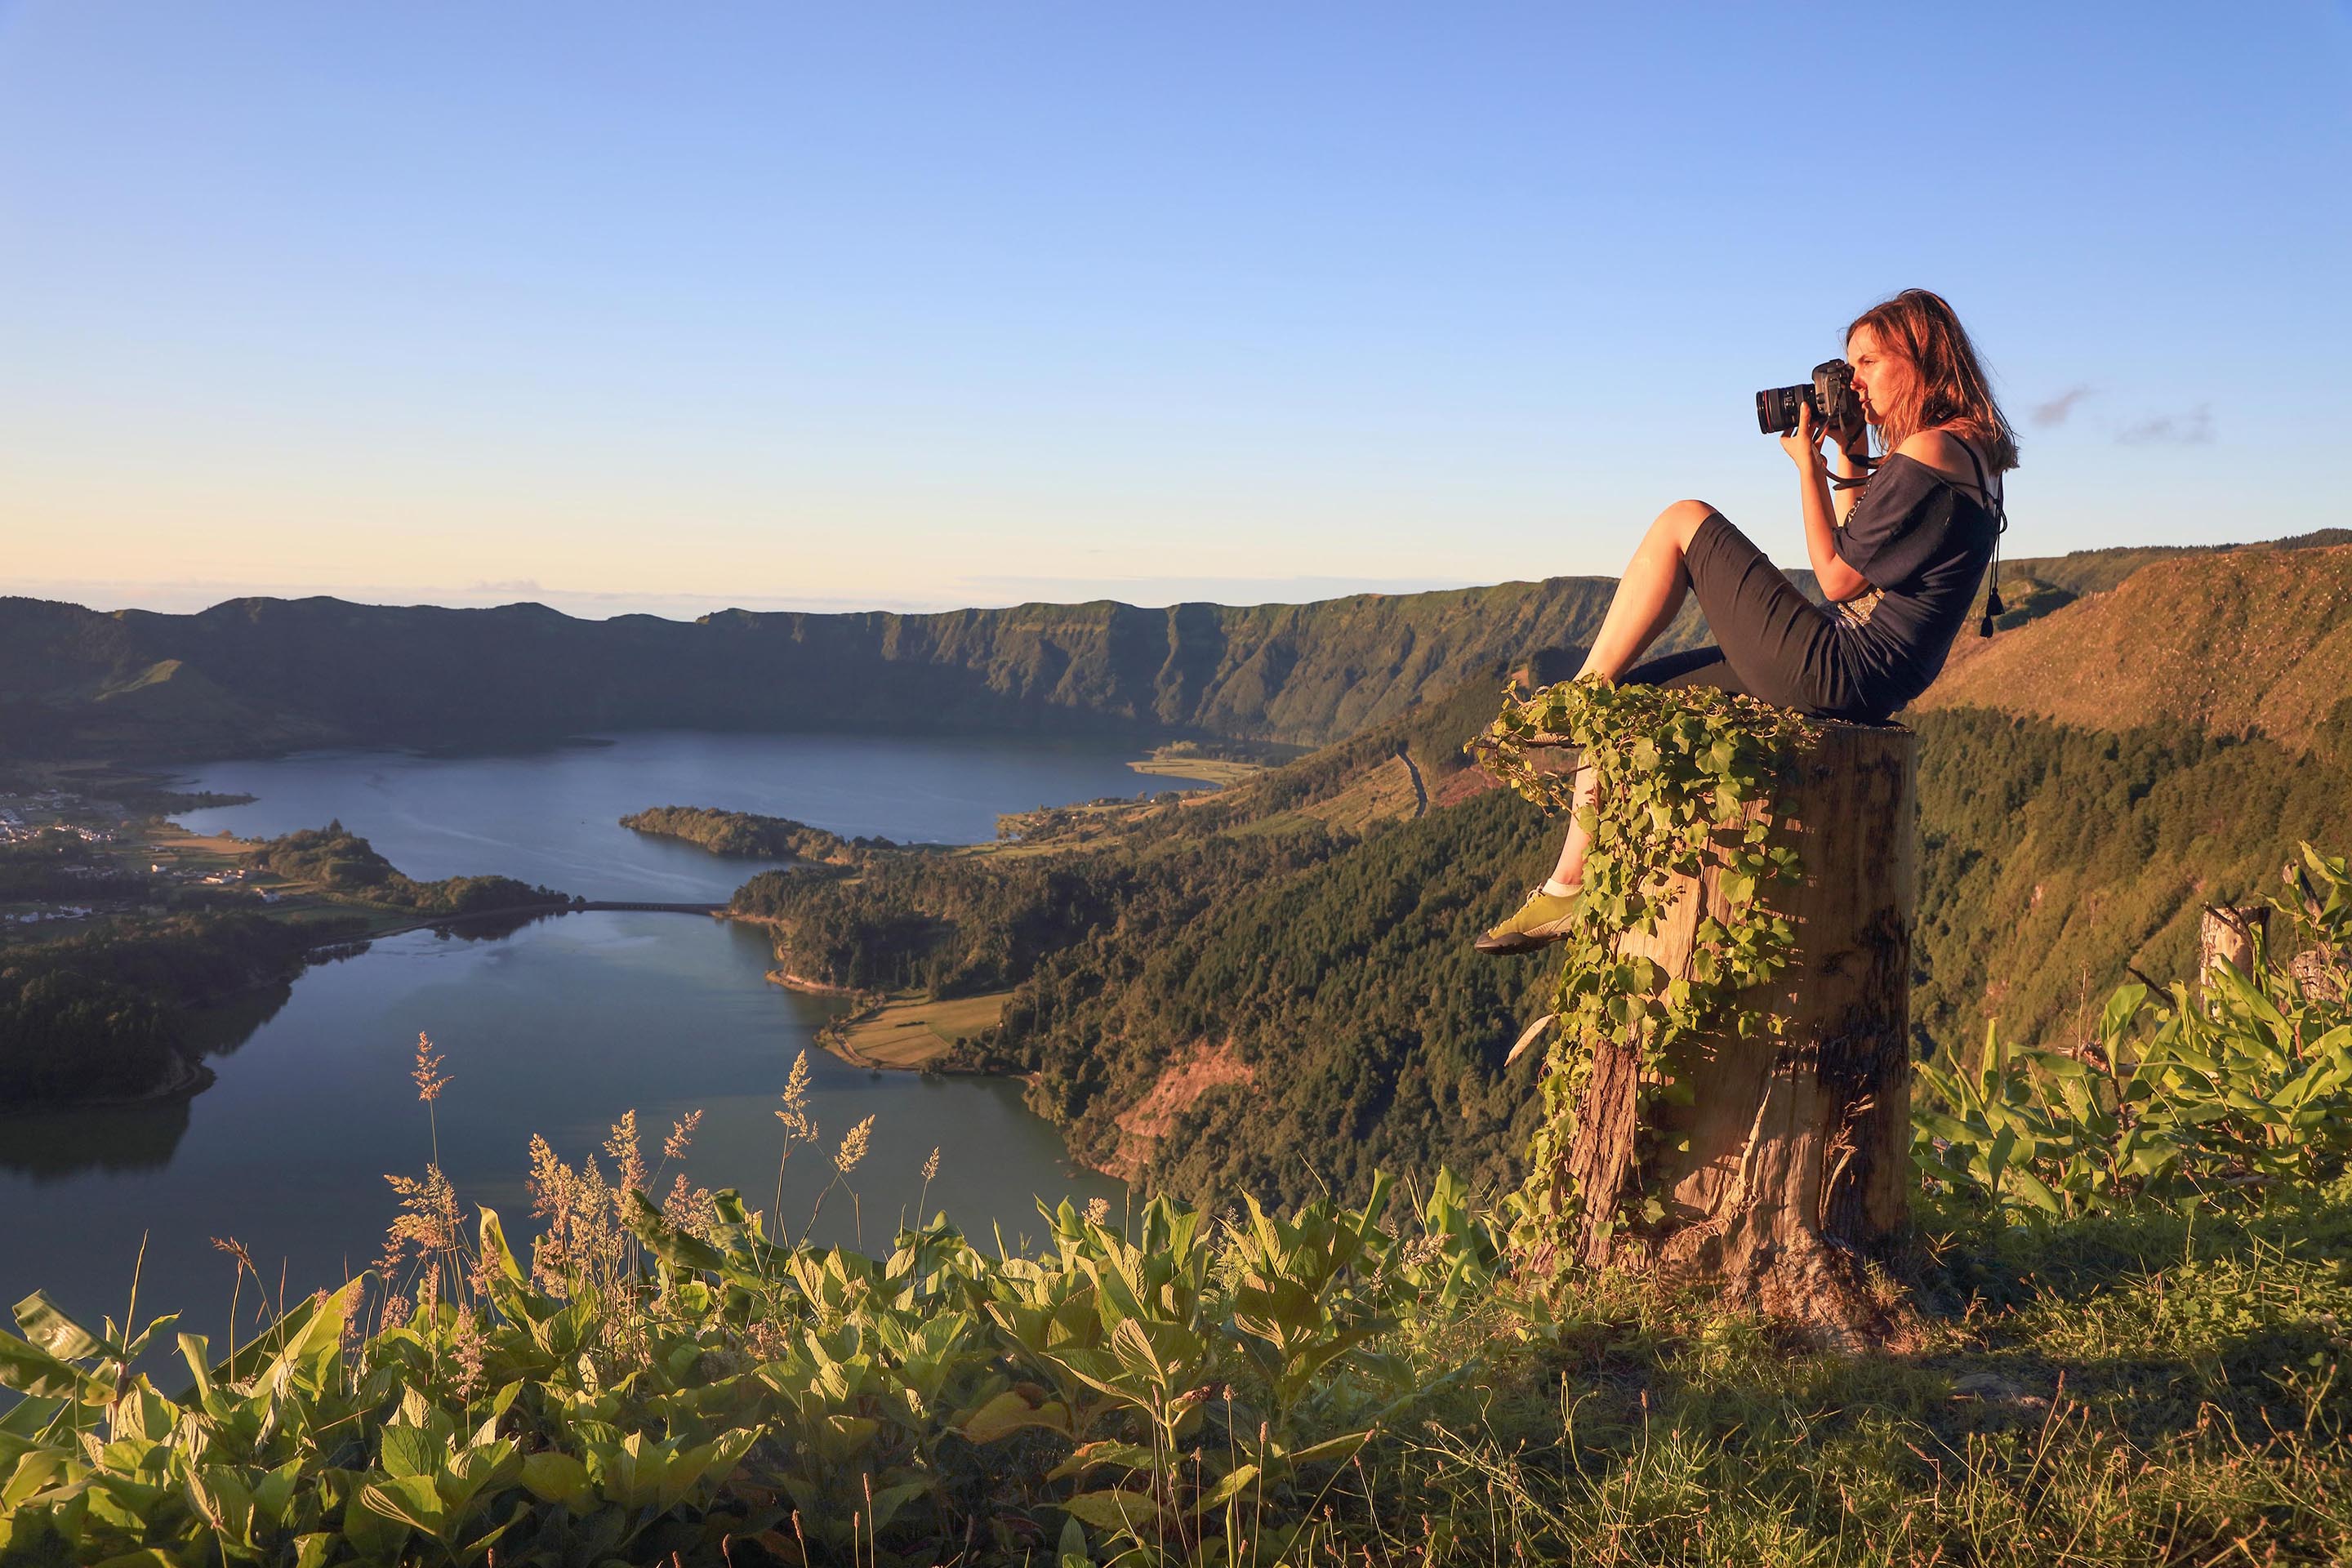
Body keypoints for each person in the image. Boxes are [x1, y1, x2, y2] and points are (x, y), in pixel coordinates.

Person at [1477, 287, 2018, 956]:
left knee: (1684, 520)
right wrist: (1849, 451)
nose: (1854, 383)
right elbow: (1861, 547)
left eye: (1870, 363)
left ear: (1923, 359)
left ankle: (1569, 702)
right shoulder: (1968, 454)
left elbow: (1838, 575)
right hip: (1865, 675)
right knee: (1632, 702)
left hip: (1842, 664)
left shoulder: (1932, 451)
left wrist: (1807, 470)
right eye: (1849, 367)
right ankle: (1567, 886)